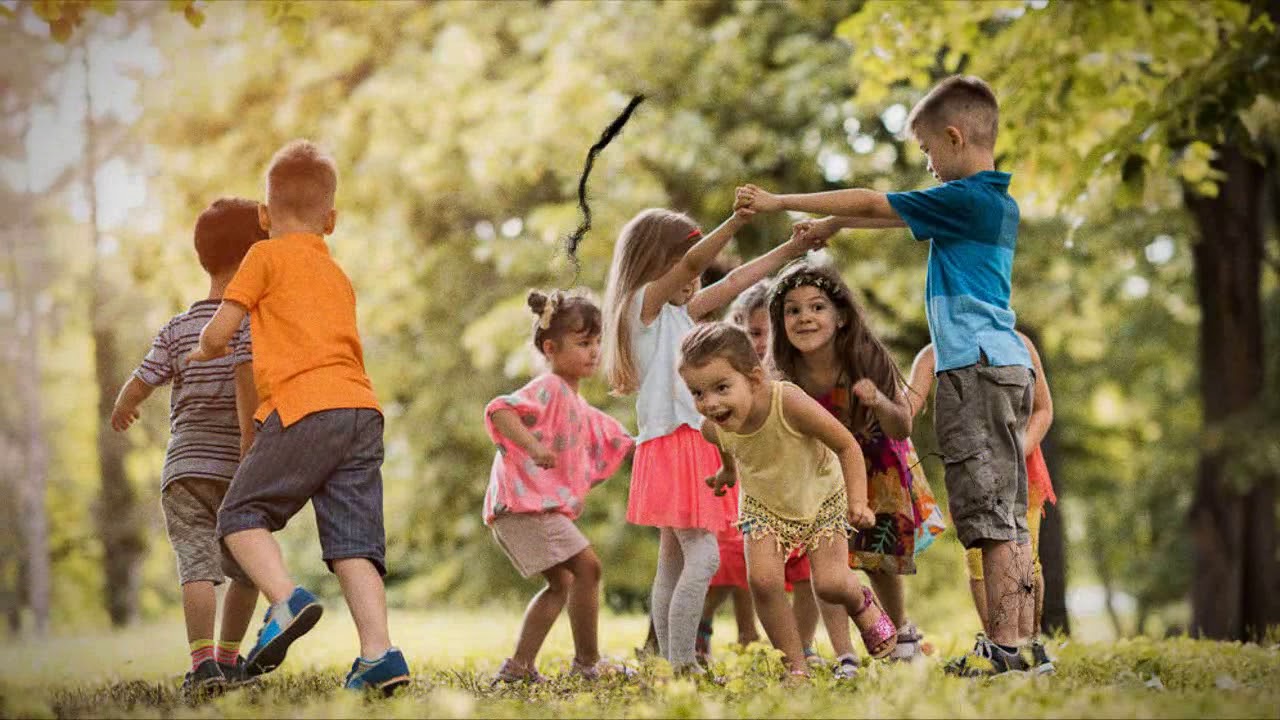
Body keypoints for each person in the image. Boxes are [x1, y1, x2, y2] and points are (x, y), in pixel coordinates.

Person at [736, 74, 1044, 674]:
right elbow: (889, 217)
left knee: (986, 518)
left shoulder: (968, 198)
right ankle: (1020, 645)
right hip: (999, 365)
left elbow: (877, 203)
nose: (927, 164)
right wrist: (836, 228)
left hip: (974, 370)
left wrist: (781, 203)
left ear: (955, 137)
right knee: (1004, 514)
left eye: (929, 151)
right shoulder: (989, 203)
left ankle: (1009, 651)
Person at [188, 139, 410, 694]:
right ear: (330, 220)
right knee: (355, 543)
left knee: (238, 516)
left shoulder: (263, 255)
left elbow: (224, 324)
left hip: (304, 406)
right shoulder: (336, 274)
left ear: (264, 217)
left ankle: (285, 601)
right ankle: (379, 655)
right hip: (361, 410)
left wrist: (204, 349)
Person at [600, 206, 821, 672]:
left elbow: (736, 280)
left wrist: (792, 249)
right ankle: (684, 665)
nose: (695, 279)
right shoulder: (643, 306)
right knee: (702, 557)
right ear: (654, 262)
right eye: (685, 264)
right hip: (675, 443)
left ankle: (668, 660)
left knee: (673, 563)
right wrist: (737, 221)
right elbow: (692, 266)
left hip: (687, 444)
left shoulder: (680, 314)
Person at [677, 322, 897, 678]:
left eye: (721, 388)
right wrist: (728, 473)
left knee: (829, 582)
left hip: (820, 496)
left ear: (754, 378)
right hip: (764, 506)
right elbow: (726, 446)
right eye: (698, 393)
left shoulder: (788, 401)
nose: (710, 403)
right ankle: (794, 667)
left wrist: (859, 501)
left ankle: (861, 600)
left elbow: (846, 445)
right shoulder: (712, 426)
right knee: (763, 581)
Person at [110, 197, 265, 699]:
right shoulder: (253, 323)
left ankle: (202, 665)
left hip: (184, 470)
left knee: (196, 565)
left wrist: (123, 407)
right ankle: (226, 658)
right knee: (247, 570)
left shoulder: (179, 327)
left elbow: (142, 378)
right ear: (254, 258)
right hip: (239, 467)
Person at [765, 261, 946, 664]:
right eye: (792, 310)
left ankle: (900, 634)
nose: (804, 318)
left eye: (816, 307)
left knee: (880, 559)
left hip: (876, 462)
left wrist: (879, 400)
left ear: (841, 316)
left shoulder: (865, 356)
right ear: (781, 321)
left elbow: (901, 426)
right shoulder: (782, 372)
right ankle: (846, 653)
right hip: (821, 471)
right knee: (828, 561)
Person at [484, 291, 634, 683]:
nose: (594, 351)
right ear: (551, 348)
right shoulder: (549, 386)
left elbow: (616, 438)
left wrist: (654, 443)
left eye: (597, 342)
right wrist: (533, 446)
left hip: (524, 509)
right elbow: (500, 410)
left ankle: (518, 667)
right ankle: (588, 663)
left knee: (563, 582)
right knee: (588, 568)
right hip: (523, 506)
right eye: (584, 343)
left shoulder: (576, 403)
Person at [908, 333, 1056, 671]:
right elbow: (906, 404)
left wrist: (1014, 454)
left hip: (1023, 474)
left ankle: (1031, 644)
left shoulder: (1019, 343)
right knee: (979, 560)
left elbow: (1043, 411)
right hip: (972, 477)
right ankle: (998, 647)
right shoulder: (935, 351)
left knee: (1025, 555)